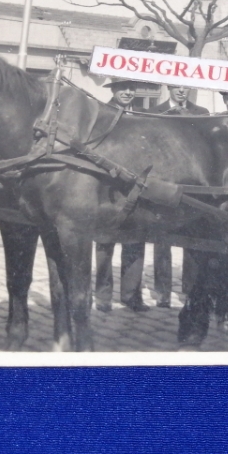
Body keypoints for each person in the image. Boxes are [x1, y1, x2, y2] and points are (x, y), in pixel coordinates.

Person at [151, 85, 209, 309]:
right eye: (176, 87)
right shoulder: (156, 112)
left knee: (192, 235)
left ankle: (190, 289)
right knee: (161, 238)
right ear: (168, 87)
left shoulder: (201, 112)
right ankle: (162, 291)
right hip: (164, 179)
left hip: (192, 181)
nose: (181, 91)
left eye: (186, 87)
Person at [94, 80, 149, 312]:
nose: (127, 92)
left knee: (136, 240)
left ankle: (131, 296)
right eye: (122, 88)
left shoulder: (142, 117)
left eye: (131, 88)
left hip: (136, 186)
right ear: (113, 91)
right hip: (108, 186)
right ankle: (103, 296)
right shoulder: (100, 113)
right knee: (105, 243)